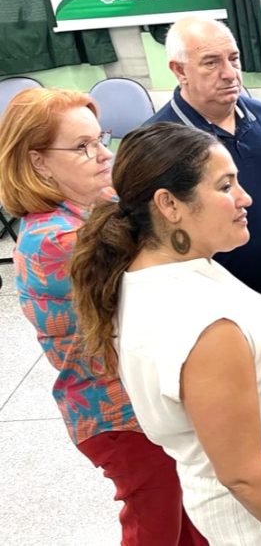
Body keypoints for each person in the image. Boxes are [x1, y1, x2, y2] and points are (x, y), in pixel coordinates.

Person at [69, 123, 261, 546]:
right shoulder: (206, 326)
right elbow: (243, 476)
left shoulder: (154, 272)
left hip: (256, 494)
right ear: (169, 204)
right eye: (225, 186)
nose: (245, 198)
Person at [0, 89, 205, 544]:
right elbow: (170, 262)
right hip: (116, 415)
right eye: (82, 146)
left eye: (100, 139)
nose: (103, 154)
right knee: (155, 526)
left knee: (195, 518)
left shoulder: (100, 202)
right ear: (38, 162)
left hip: (146, 399)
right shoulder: (53, 239)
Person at [146, 17, 261, 344]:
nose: (229, 73)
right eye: (211, 62)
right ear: (179, 71)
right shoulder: (159, 144)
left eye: (233, 59)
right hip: (221, 315)